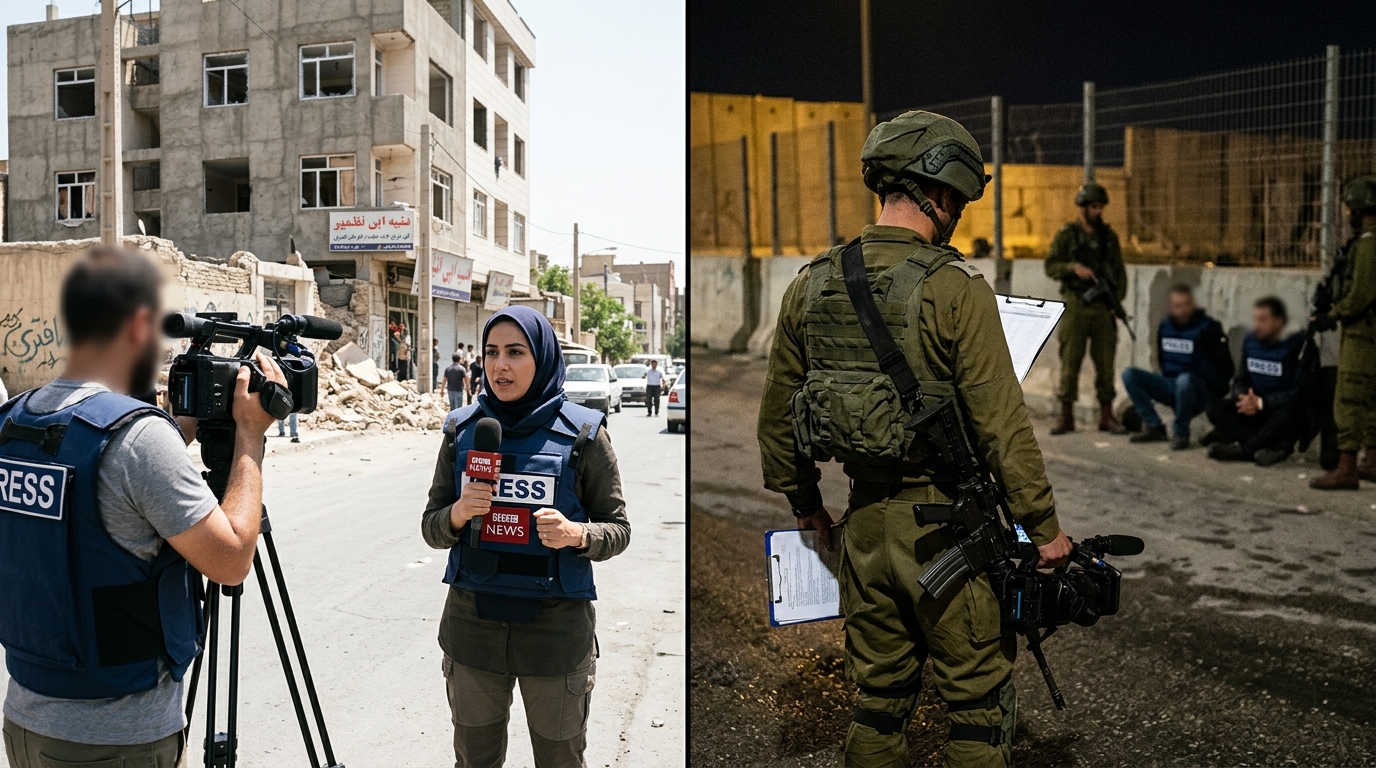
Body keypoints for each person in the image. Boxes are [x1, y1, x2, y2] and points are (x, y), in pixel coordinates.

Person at [758, 111, 1071, 768]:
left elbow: (778, 416)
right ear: (941, 190)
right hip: (947, 533)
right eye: (958, 197)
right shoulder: (955, 289)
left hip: (864, 530)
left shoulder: (810, 283)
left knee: (879, 701)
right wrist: (1044, 530)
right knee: (979, 710)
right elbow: (1003, 428)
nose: (957, 210)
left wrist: (807, 507)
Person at [0, 247, 285, 767]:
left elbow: (99, 493)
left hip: (25, 722)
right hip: (116, 740)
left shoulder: (14, 422)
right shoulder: (138, 441)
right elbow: (231, 562)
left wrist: (176, 432)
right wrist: (250, 436)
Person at [420, 306, 630, 767]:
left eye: (515, 352)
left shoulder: (585, 435)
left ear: (543, 358)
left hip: (556, 634)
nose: (500, 365)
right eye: (491, 352)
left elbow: (618, 529)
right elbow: (431, 526)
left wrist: (576, 534)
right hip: (473, 629)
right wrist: (457, 513)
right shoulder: (463, 430)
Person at [1044, 182, 1129, 435]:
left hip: (1102, 306)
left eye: (1101, 207)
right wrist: (1073, 268)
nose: (1098, 211)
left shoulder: (1108, 237)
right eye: (1094, 207)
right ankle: (1066, 416)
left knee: (1105, 363)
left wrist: (1116, 302)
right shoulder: (1067, 235)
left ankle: (1107, 416)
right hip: (1076, 304)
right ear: (1082, 208)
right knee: (1070, 360)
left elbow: (1119, 272)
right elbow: (1051, 266)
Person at [1309, 176, 1376, 489]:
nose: (1348, 214)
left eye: (1350, 209)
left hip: (1363, 330)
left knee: (1349, 394)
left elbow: (1361, 294)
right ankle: (1371, 460)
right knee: (1371, 395)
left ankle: (1346, 467)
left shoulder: (1368, 244)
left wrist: (1332, 315)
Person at [1121, 285, 1233, 450]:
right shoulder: (1165, 326)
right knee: (1130, 374)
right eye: (1177, 306)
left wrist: (1214, 398)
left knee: (1185, 380)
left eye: (1186, 305)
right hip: (1172, 384)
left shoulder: (1209, 328)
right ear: (1171, 307)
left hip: (1200, 389)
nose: (1183, 310)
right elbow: (1162, 359)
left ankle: (1181, 433)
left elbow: (1226, 368)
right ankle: (1153, 426)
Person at [1204, 297, 1305, 466]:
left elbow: (1300, 392)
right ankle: (1270, 446)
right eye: (1255, 320)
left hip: (1279, 411)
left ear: (1279, 321)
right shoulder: (1251, 341)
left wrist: (1261, 403)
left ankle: (1244, 450)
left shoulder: (1298, 345)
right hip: (1253, 409)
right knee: (1214, 408)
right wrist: (1245, 399)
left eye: (1263, 320)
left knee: (1291, 414)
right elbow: (1239, 380)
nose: (1257, 325)